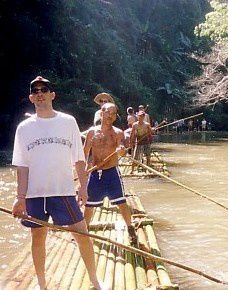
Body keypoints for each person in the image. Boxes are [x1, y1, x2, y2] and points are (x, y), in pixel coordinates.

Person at [11, 76, 108, 290]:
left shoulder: (68, 122)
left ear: (52, 95)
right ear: (31, 97)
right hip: (35, 194)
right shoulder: (24, 128)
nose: (39, 93)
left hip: (62, 191)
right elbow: (22, 166)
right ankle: (42, 284)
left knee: (82, 234)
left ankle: (94, 280)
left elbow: (79, 158)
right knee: (38, 238)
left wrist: (83, 187)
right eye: (35, 91)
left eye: (44, 90)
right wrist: (20, 199)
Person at [83, 102, 137, 245]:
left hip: (112, 172)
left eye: (113, 113)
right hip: (95, 173)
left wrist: (122, 150)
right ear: (101, 113)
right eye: (108, 112)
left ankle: (131, 229)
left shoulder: (118, 132)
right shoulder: (91, 132)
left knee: (121, 202)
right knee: (89, 204)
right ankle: (84, 231)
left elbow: (122, 148)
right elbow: (84, 152)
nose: (110, 116)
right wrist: (83, 172)